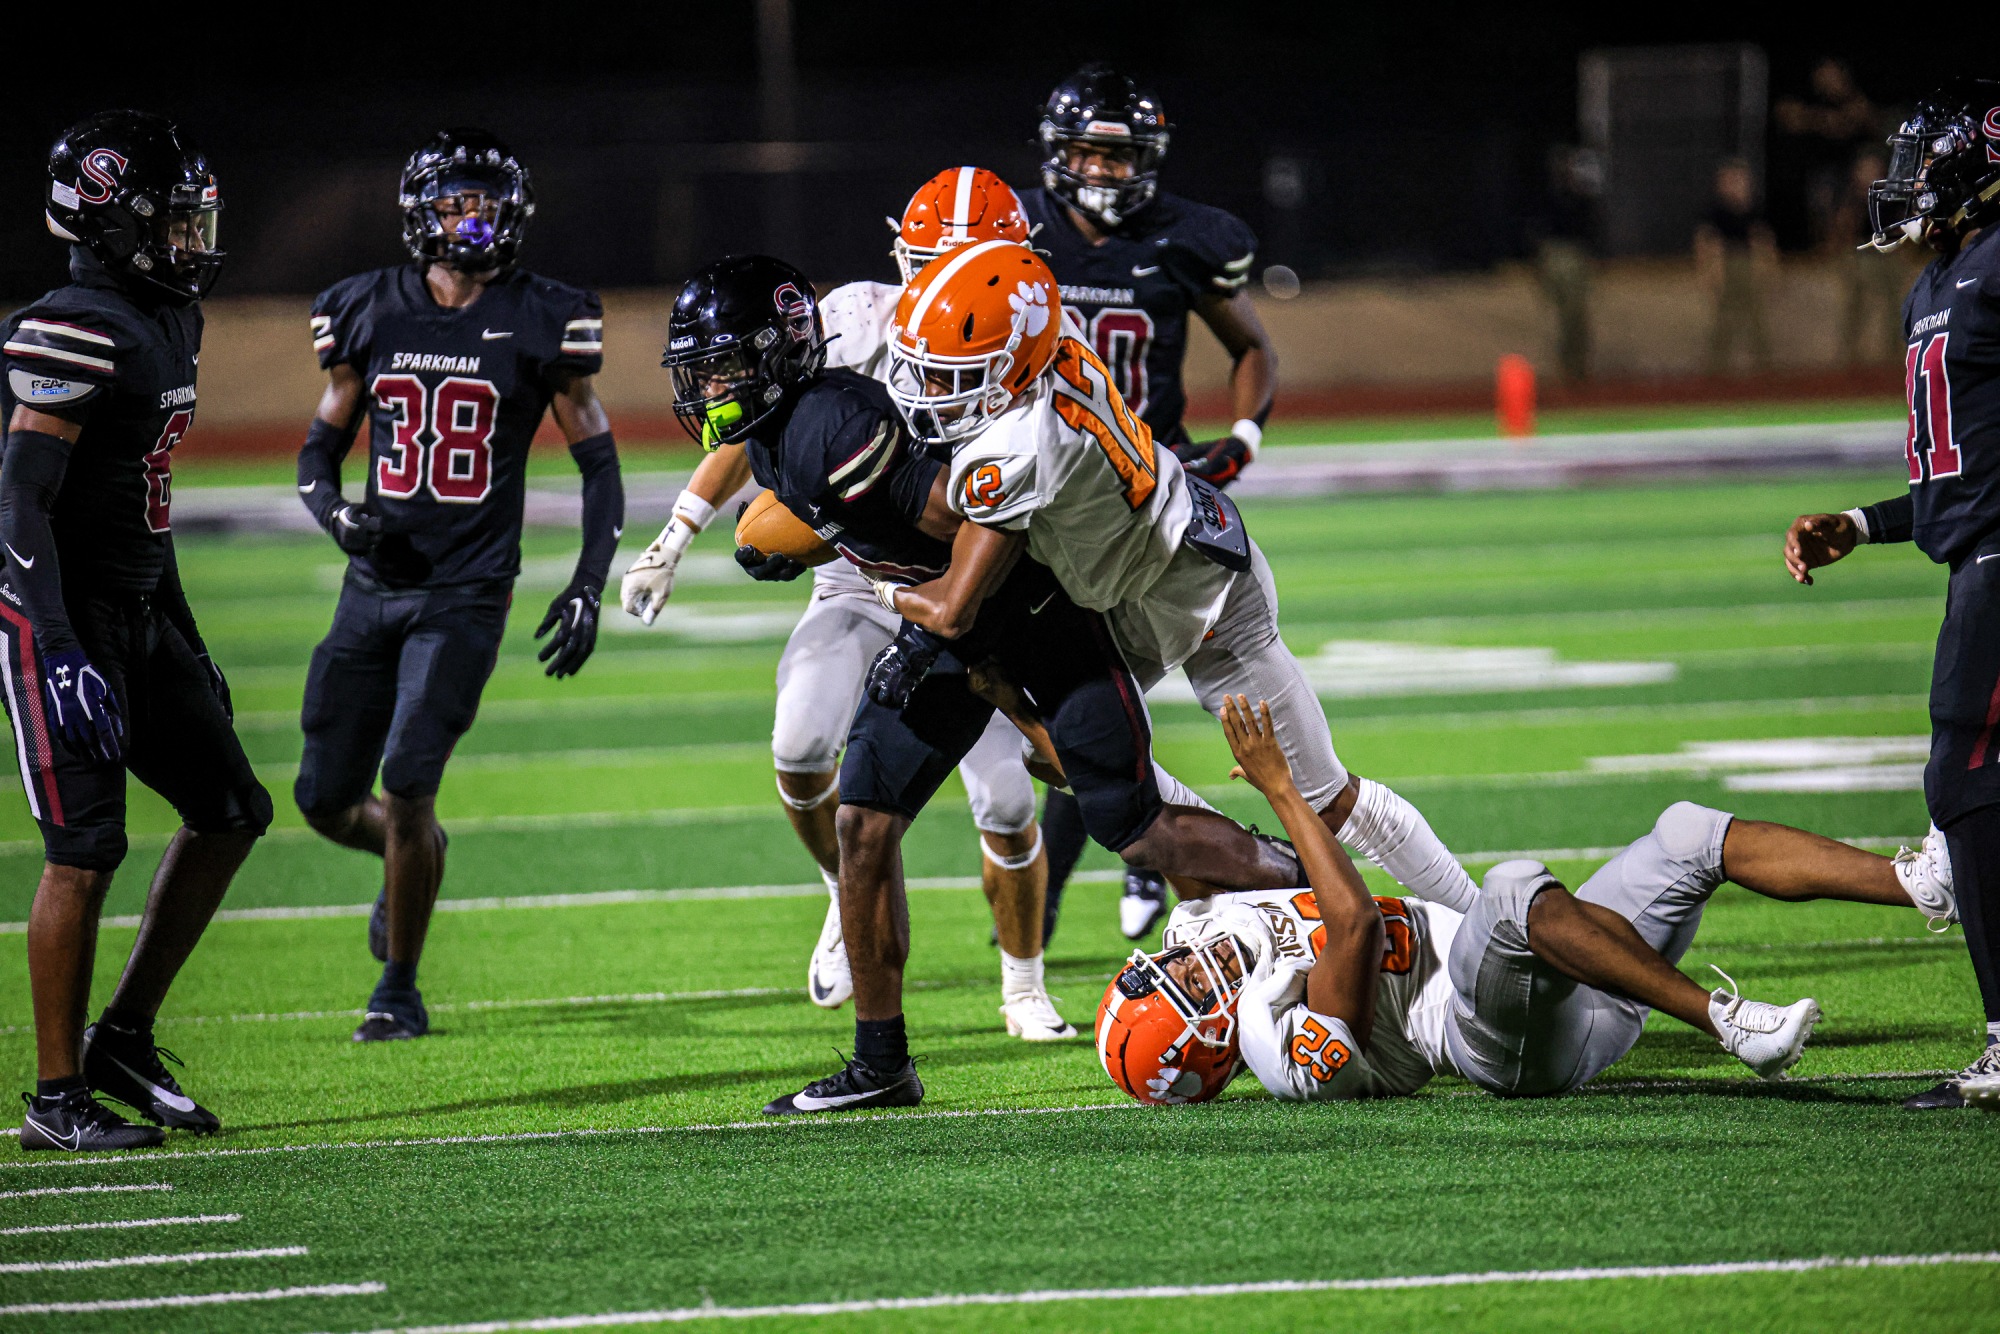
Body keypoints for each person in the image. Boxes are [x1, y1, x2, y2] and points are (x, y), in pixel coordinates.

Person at [656, 255, 1314, 1116]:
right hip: (946, 633)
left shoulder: (833, 426)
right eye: (700, 370)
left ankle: (1311, 890)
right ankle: (881, 1063)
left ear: (777, 354)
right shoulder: (789, 431)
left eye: (724, 366)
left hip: (1032, 624)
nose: (707, 387)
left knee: (1133, 825)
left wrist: (932, 618)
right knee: (862, 822)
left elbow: (970, 518)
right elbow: (866, 521)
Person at [876, 240, 1479, 924]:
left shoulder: (1012, 448)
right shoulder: (1056, 336)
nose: (930, 392)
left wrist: (873, 574)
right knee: (1058, 752)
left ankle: (1480, 920)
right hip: (1146, 578)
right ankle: (1255, 859)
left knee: (1327, 797)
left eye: (954, 376)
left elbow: (953, 608)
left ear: (1012, 366)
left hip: (1201, 591)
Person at [622, 171, 1077, 1041]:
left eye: (966, 259)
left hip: (964, 580)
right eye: (933, 258)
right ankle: (843, 890)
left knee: (1012, 806)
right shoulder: (853, 318)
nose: (942, 275)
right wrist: (677, 531)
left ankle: (1023, 986)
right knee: (798, 746)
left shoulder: (1030, 335)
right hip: (855, 571)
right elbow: (751, 413)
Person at [1096, 695, 1958, 1107]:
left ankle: (1914, 883)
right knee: (1510, 893)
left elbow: (1179, 826)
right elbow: (1353, 921)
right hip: (1499, 1042)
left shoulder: (1203, 926)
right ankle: (1729, 1023)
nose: (1183, 964)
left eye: (1165, 969)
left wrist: (1059, 737)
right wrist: (1285, 789)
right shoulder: (1282, 1054)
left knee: (1690, 831)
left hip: (1559, 964)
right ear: (1209, 1046)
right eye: (1183, 992)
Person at [294, 128, 624, 1043]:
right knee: (322, 797)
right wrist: (334, 516)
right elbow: (320, 447)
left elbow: (597, 462)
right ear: (420, 216)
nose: (469, 221)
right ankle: (415, 864)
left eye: (484, 202)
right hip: (373, 583)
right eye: (453, 203)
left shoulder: (542, 315)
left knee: (407, 783)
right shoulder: (366, 309)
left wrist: (591, 579)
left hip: (468, 591)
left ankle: (397, 987)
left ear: (512, 213)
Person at [3, 111, 272, 1150]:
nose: (188, 241)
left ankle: (124, 1035)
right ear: (105, 223)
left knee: (230, 808)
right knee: (85, 849)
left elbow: (142, 508)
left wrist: (186, 633)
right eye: (167, 222)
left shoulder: (169, 319)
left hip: (141, 603)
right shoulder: (68, 322)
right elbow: (20, 504)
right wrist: (57, 643)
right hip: (52, 609)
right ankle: (56, 1094)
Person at [1020, 64, 1281, 942]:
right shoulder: (1016, 239)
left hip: (1144, 501)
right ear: (1060, 155)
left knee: (1093, 700)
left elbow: (1252, 346)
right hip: (1048, 498)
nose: (1108, 172)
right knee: (1074, 705)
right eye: (1093, 154)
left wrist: (1243, 436)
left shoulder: (1181, 241)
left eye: (1124, 156)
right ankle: (1126, 863)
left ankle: (1151, 853)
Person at [1783, 82, 2000, 1109]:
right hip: (1973, 562)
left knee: (1962, 786)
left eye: (1924, 164)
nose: (1903, 184)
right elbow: (1954, 474)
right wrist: (1862, 524)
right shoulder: (1933, 286)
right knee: (1968, 792)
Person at [1695, 158, 1777, 375]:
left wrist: (1769, 269)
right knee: (1724, 320)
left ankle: (1765, 369)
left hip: (1749, 266)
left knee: (1756, 319)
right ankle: (1717, 371)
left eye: (1739, 179)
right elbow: (1705, 241)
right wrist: (1706, 271)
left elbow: (1764, 241)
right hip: (1725, 266)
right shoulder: (1715, 211)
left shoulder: (1755, 209)